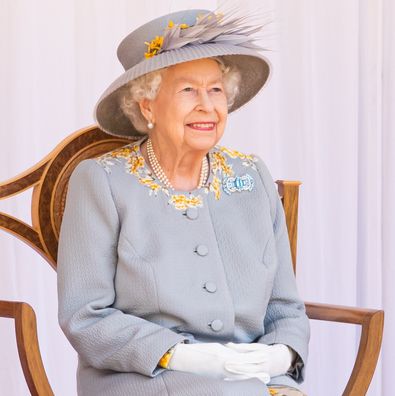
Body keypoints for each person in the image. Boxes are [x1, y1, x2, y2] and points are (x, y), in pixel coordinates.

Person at [57, 8, 310, 396]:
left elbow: (285, 306)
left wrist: (281, 359)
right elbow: (84, 315)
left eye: (216, 90)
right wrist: (187, 358)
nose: (207, 106)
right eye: (188, 90)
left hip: (252, 381)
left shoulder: (252, 174)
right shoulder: (102, 181)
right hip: (142, 379)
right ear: (147, 105)